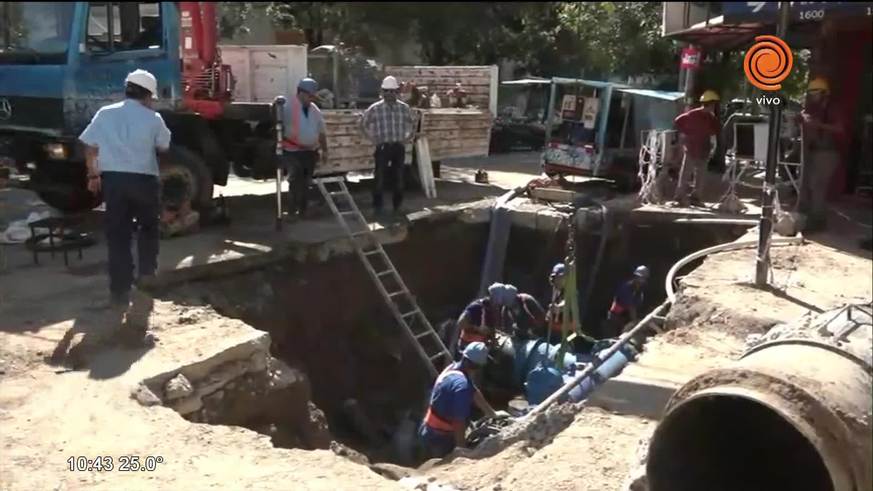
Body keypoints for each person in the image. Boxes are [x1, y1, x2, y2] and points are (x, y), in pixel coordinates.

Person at [79, 69, 169, 340]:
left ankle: (119, 291)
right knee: (148, 228)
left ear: (127, 88)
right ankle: (146, 276)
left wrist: (93, 174)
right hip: (144, 181)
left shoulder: (105, 114)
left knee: (117, 235)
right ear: (149, 95)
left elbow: (89, 146)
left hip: (114, 182)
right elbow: (164, 146)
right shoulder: (154, 118)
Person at [418, 341, 489, 460]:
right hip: (440, 439)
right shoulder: (462, 387)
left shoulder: (452, 368)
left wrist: (491, 413)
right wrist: (462, 449)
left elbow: (474, 391)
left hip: (427, 429)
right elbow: (458, 421)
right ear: (478, 366)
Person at [360, 75, 416, 217]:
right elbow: (363, 124)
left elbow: (413, 124)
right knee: (379, 177)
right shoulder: (375, 108)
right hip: (383, 146)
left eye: (392, 91)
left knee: (398, 178)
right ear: (382, 91)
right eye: (387, 91)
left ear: (397, 92)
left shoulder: (403, 108)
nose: (389, 94)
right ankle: (377, 207)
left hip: (398, 146)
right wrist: (373, 139)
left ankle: (397, 207)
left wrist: (407, 138)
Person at [280, 77, 329, 220]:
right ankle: (291, 211)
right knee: (295, 180)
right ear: (301, 93)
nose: (312, 99)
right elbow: (277, 126)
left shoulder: (314, 110)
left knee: (306, 182)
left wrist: (325, 150)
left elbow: (321, 131)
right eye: (310, 96)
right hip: (292, 151)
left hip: (310, 152)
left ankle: (303, 210)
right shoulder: (287, 107)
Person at [798, 77, 842, 232]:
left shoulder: (832, 108)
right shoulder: (815, 108)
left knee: (818, 187)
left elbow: (839, 128)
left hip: (828, 153)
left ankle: (817, 222)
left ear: (824, 93)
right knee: (812, 186)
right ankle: (813, 219)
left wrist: (818, 124)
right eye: (811, 93)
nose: (813, 96)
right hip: (816, 151)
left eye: (816, 93)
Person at [673, 90, 721, 207]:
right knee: (689, 174)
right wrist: (685, 135)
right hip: (693, 149)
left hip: (701, 150)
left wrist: (685, 135)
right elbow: (678, 122)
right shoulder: (698, 115)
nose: (713, 107)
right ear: (711, 104)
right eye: (713, 105)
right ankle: (681, 197)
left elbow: (714, 133)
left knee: (698, 175)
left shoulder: (708, 117)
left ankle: (693, 198)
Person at [606, 265, 649, 336]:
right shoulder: (626, 287)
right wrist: (635, 322)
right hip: (614, 317)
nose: (640, 280)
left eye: (643, 278)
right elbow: (631, 307)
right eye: (638, 277)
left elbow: (637, 305)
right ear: (635, 276)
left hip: (625, 319)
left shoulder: (640, 291)